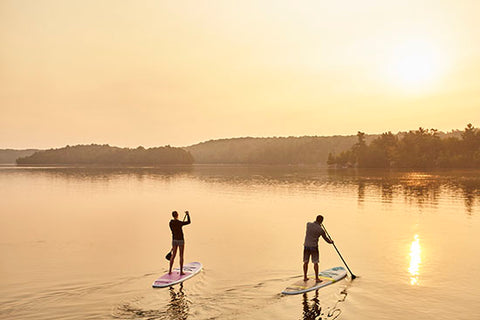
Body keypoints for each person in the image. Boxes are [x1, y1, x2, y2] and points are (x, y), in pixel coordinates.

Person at [303, 215, 334, 282]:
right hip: (314, 247)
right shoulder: (321, 230)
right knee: (315, 262)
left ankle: (305, 277)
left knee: (306, 262)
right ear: (321, 221)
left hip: (306, 245)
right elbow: (326, 239)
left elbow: (311, 224)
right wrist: (331, 242)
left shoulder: (308, 224)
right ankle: (317, 278)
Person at [169, 210, 191, 275]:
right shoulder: (179, 223)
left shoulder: (170, 223)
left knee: (173, 255)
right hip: (180, 240)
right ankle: (181, 271)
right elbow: (189, 222)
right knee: (181, 255)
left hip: (174, 240)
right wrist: (187, 215)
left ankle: (170, 270)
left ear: (172, 215)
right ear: (177, 215)